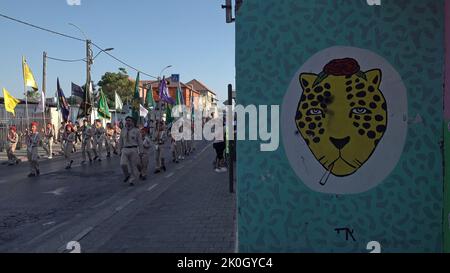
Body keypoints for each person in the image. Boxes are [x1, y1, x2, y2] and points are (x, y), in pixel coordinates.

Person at [118, 116, 144, 186]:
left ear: (132, 122)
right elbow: (120, 141)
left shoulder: (136, 131)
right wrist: (119, 150)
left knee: (133, 166)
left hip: (133, 149)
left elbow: (140, 142)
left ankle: (131, 180)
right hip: (125, 149)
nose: (127, 122)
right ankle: (127, 175)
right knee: (122, 164)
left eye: (129, 120)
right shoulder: (123, 130)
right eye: (126, 120)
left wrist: (141, 151)